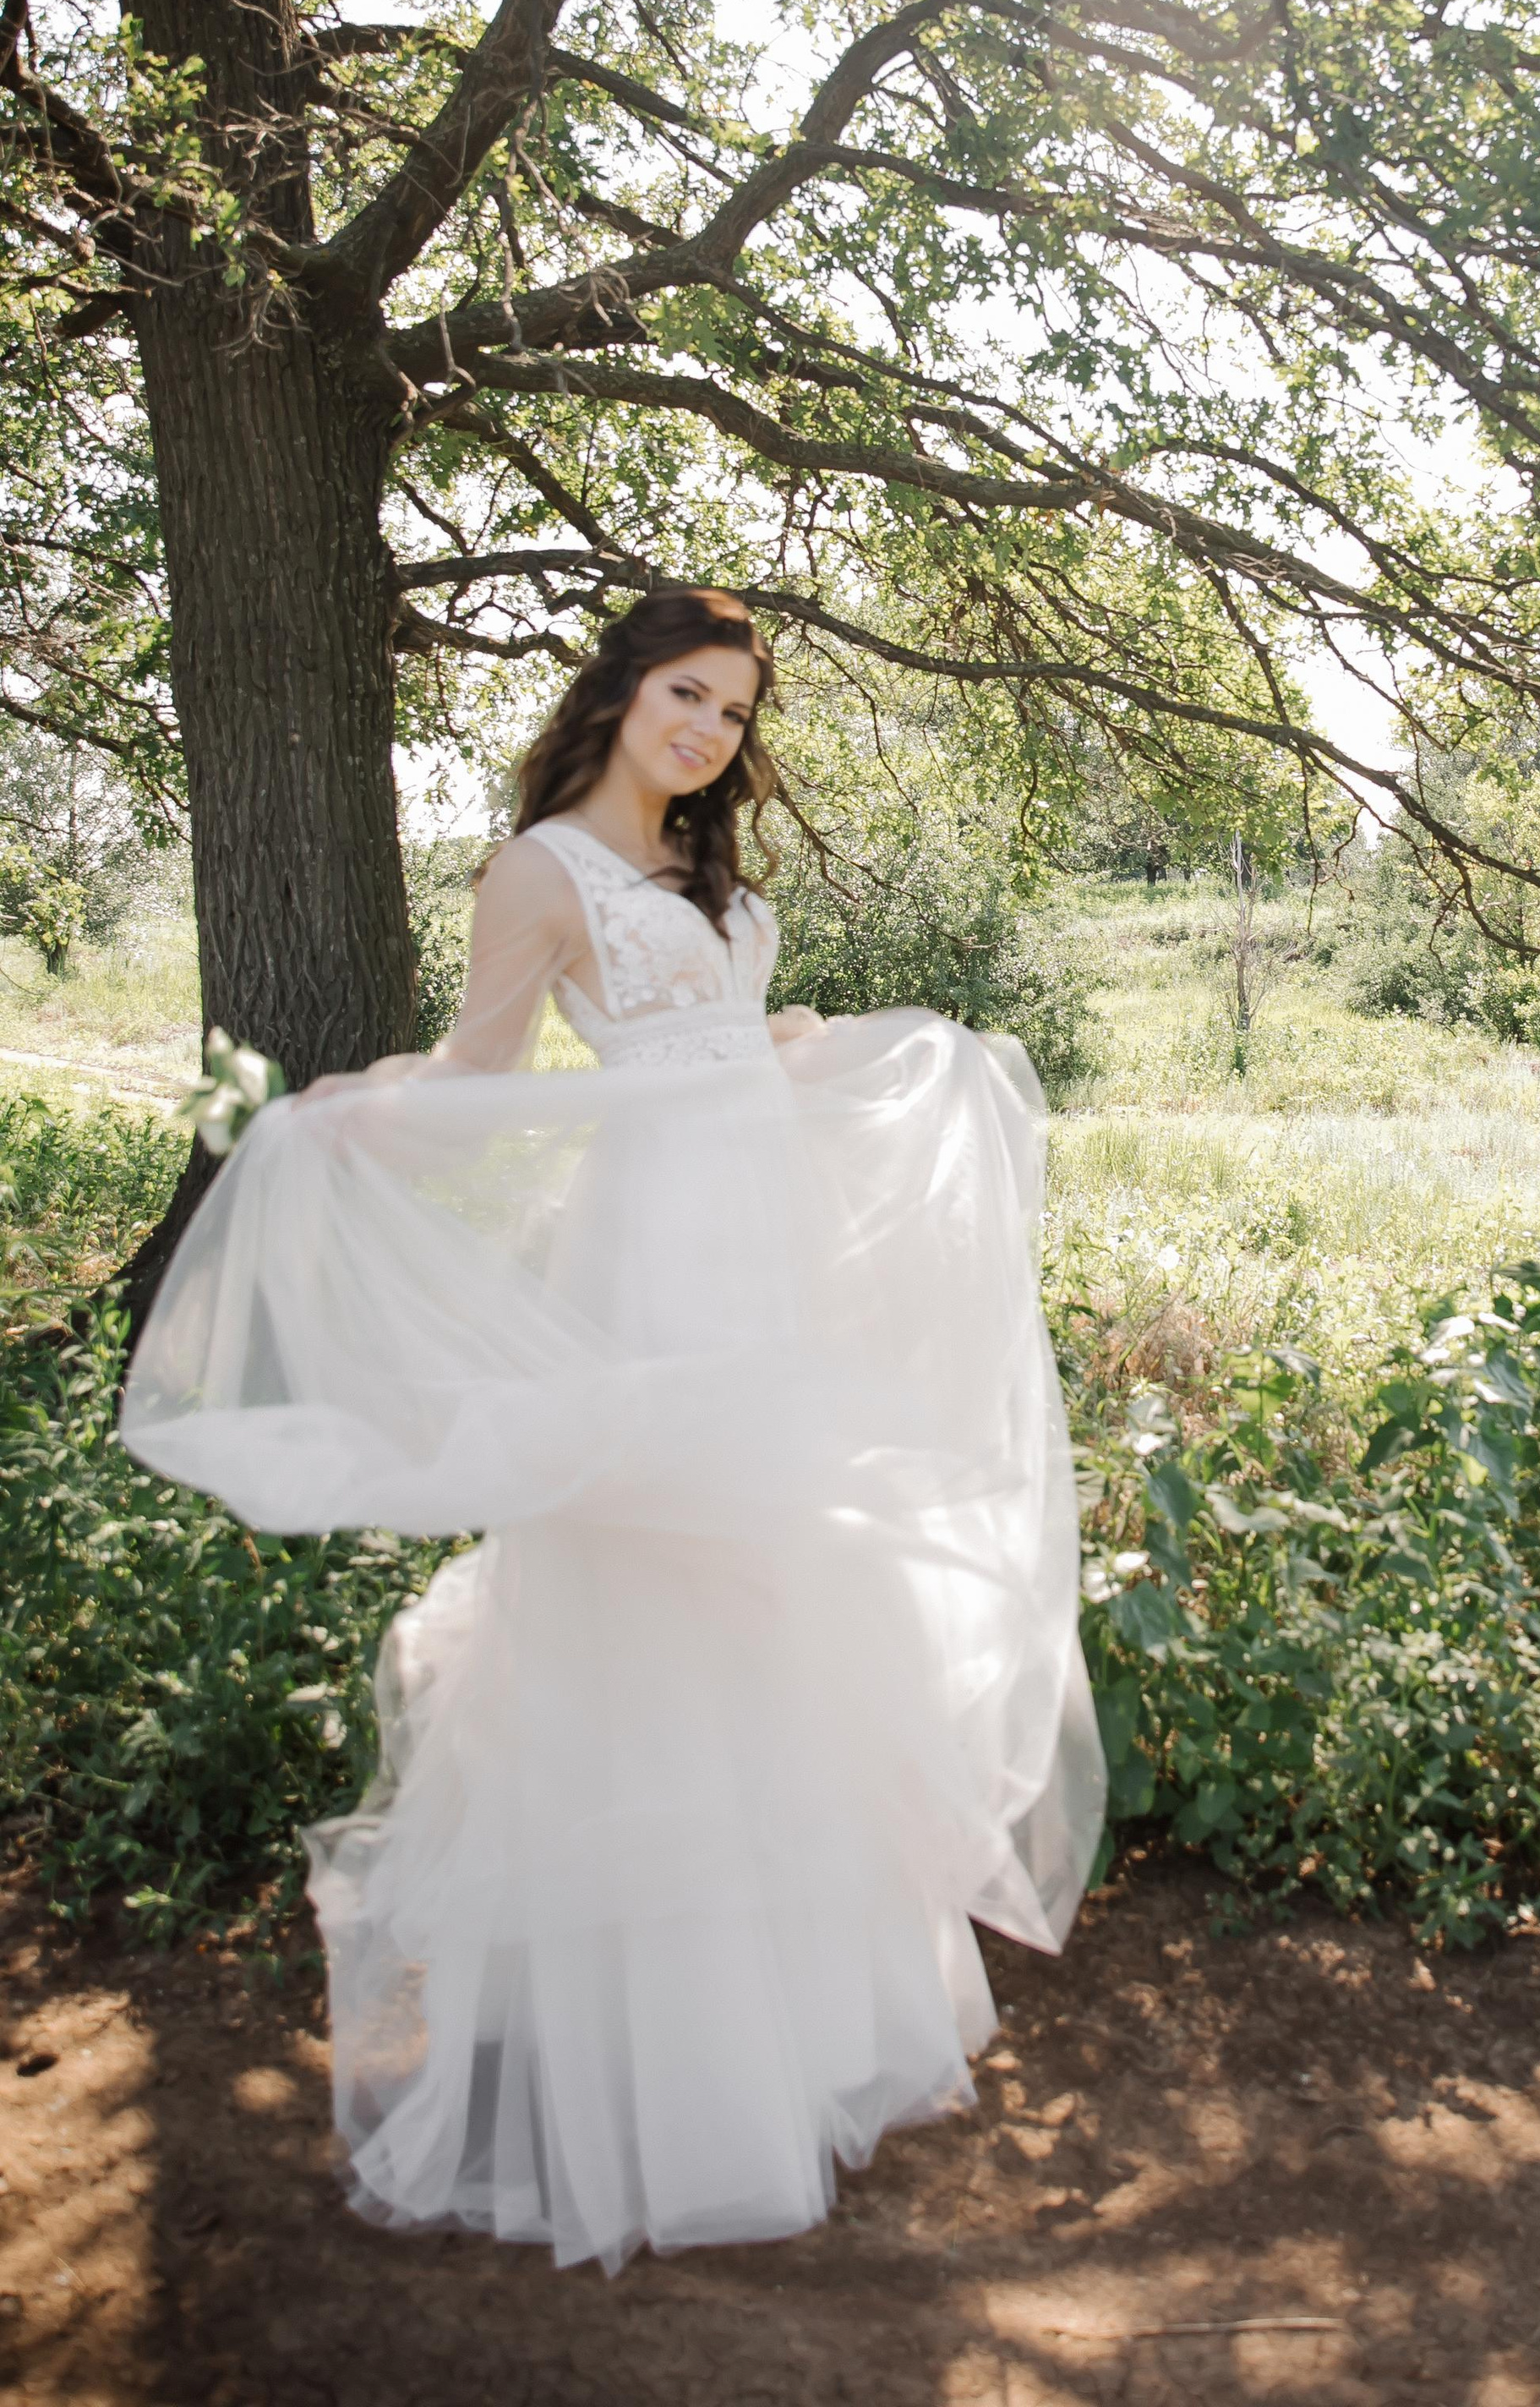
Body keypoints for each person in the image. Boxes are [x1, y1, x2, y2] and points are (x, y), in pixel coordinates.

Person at [121, 587, 1104, 2274]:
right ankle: (639, 2080)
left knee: (777, 1614)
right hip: (644, 1268)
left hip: (759, 1266)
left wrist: (798, 1044)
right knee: (645, 1609)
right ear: (621, 688)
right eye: (684, 694)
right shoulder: (540, 872)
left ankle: (790, 2040)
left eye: (731, 712)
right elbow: (486, 1065)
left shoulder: (706, 881)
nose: (708, 732)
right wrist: (364, 1116)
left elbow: (717, 1050)